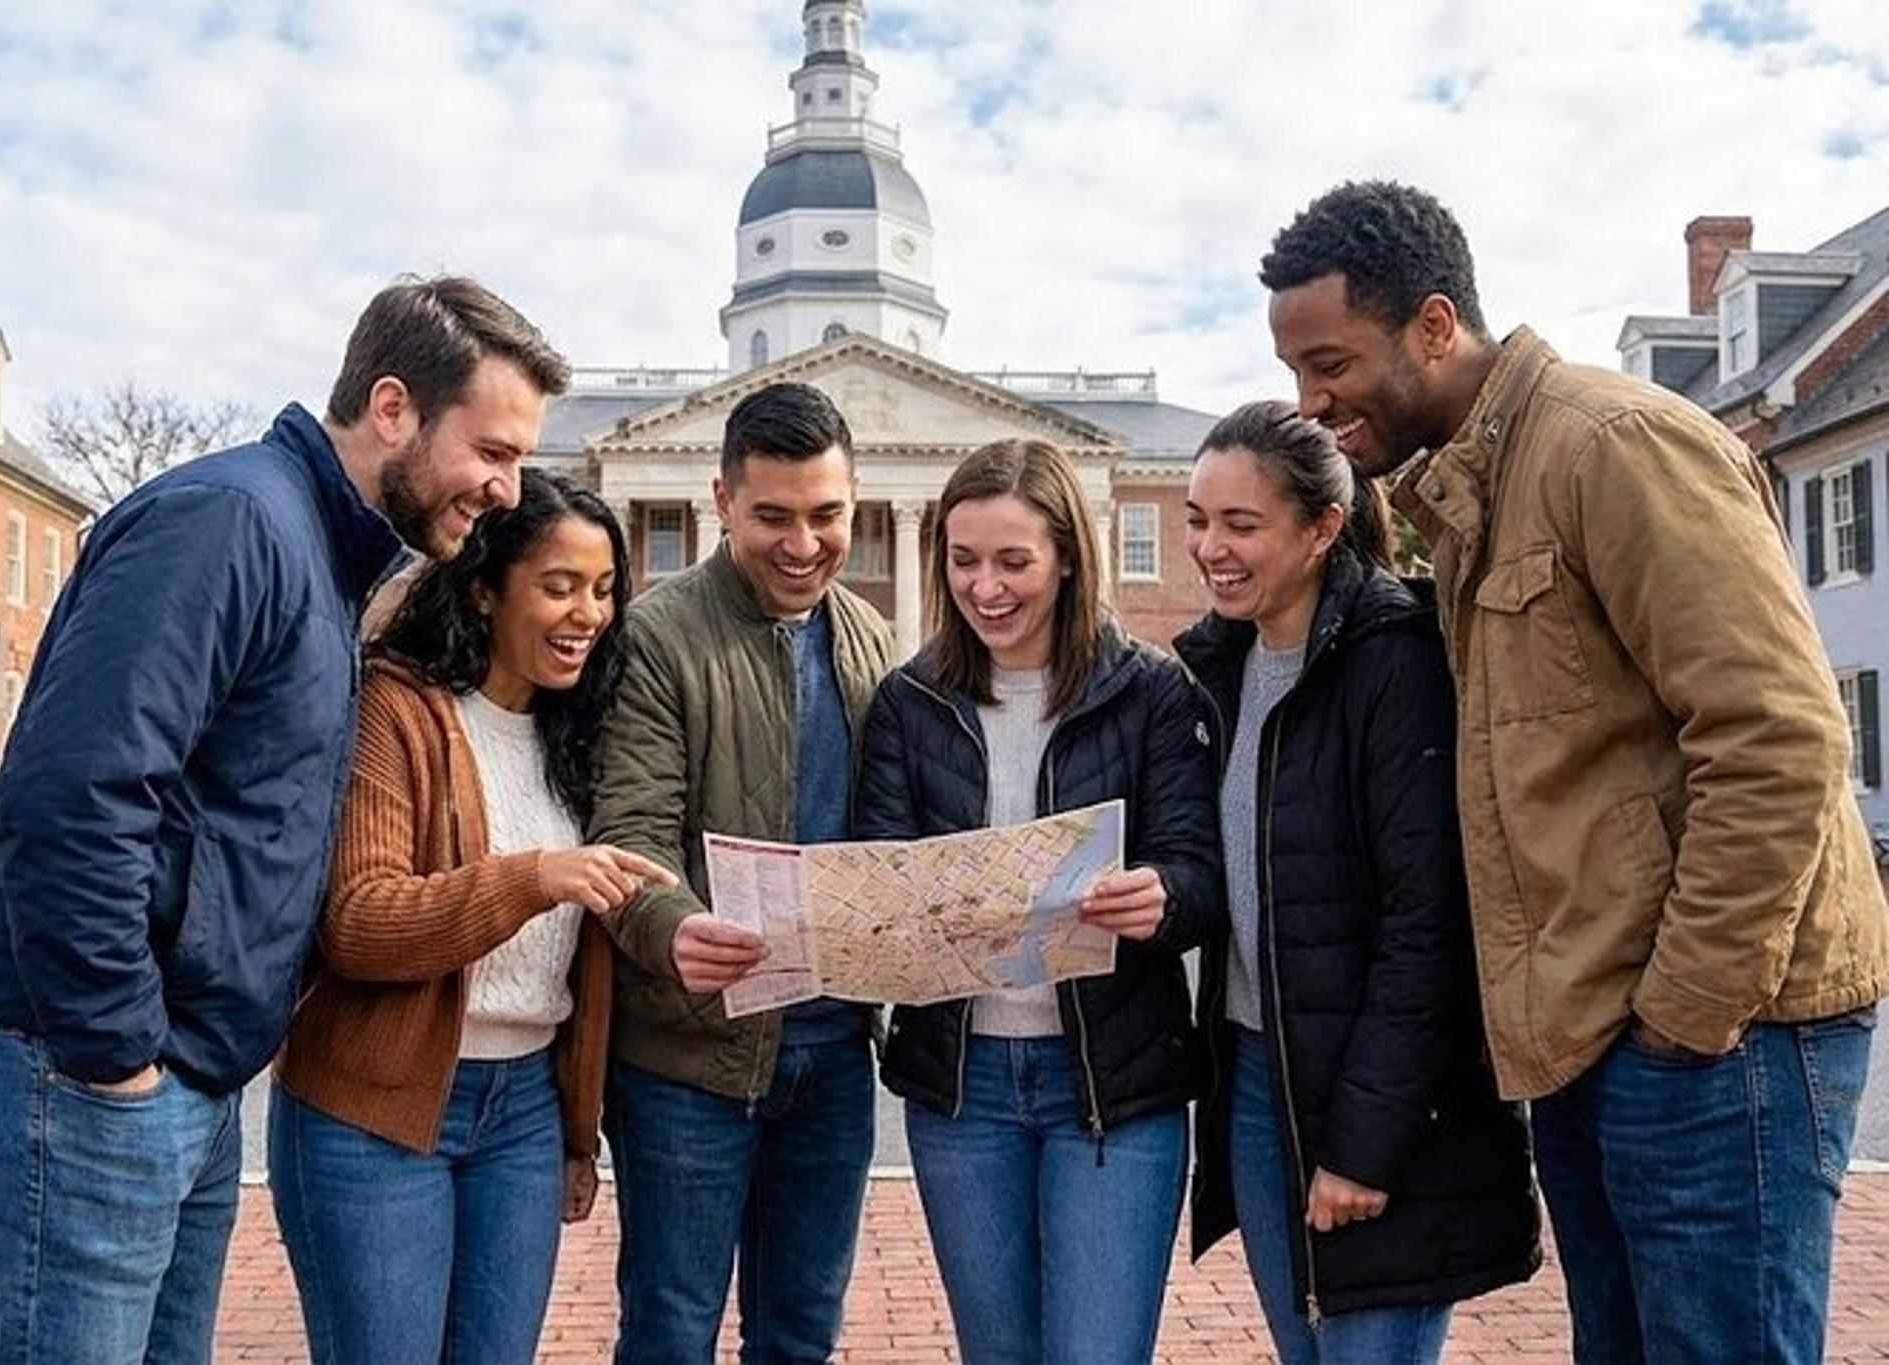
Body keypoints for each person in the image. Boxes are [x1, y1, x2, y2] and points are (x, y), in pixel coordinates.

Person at [1262, 180, 1888, 1362]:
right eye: (1295, 372)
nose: (1311, 403)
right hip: (1603, 1036)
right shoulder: (1476, 493)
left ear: (1431, 326)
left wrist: (1682, 1017)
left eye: (1329, 363)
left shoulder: (1613, 445)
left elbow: (1776, 737)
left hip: (1722, 1042)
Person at [0, 276, 570, 1364]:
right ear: (393, 408)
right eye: (492, 451)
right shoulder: (229, 523)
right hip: (74, 1075)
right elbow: (74, 797)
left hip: (173, 1076)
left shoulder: (319, 555)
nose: (507, 489)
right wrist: (118, 1059)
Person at [269, 473, 674, 1362]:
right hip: (376, 1106)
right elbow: (360, 921)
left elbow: (581, 970)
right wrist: (535, 878)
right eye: (559, 586)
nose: (588, 614)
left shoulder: (580, 733)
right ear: (487, 588)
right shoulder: (397, 708)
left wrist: (576, 1132)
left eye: (604, 589)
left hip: (523, 1111)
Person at [1175, 401, 1539, 1363]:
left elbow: (1432, 926)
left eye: (1241, 524)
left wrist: (1364, 1145)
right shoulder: (1220, 669)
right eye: (1198, 521)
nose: (1210, 549)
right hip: (1260, 1080)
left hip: (1381, 1105)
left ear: (1322, 527)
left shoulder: (1397, 660)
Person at [851, 438, 1215, 1362]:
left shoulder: (1151, 691)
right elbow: (880, 875)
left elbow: (1200, 874)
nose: (986, 588)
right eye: (963, 560)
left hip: (1113, 1084)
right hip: (962, 1088)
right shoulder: (908, 702)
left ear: (1067, 557)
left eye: (1014, 561)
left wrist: (1161, 897)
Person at [589, 381, 895, 1363]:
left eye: (826, 515)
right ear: (721, 500)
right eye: (772, 516)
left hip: (834, 1053)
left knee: (802, 1334)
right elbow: (633, 829)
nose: (803, 544)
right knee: (671, 1332)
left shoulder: (869, 637)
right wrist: (671, 925)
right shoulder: (656, 633)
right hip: (692, 1058)